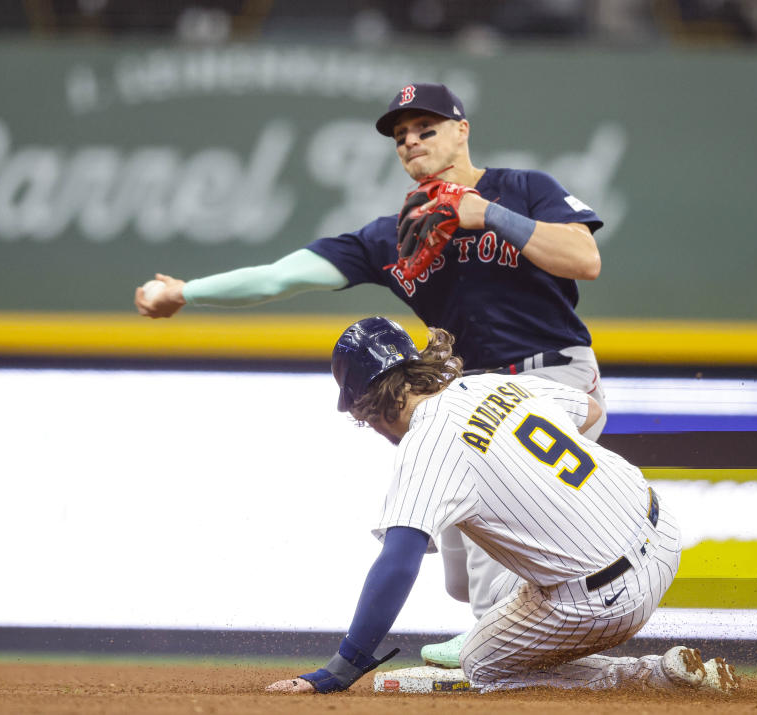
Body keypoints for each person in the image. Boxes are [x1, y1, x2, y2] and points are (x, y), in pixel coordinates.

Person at [135, 82, 608, 667]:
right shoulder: (391, 236)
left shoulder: (523, 189)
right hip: (469, 395)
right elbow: (279, 277)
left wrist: (485, 213)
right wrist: (186, 291)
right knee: (461, 575)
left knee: (492, 517)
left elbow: (584, 260)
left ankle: (497, 638)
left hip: (554, 375)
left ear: (462, 130)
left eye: (426, 129)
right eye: (401, 136)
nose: (411, 142)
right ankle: (573, 651)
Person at [266, 317, 739, 694]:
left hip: (604, 602)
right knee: (509, 584)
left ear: (369, 405)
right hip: (664, 535)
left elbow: (396, 564)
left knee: (481, 663)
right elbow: (590, 411)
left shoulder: (426, 443)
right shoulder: (487, 384)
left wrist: (343, 667)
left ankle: (648, 676)